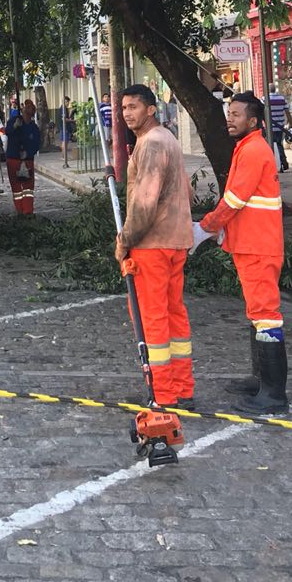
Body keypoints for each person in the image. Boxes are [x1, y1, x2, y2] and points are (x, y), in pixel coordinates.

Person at [196, 92, 287, 414]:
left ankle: (274, 394)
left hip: (258, 245)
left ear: (253, 121)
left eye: (236, 114)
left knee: (265, 315)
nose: (229, 119)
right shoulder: (248, 147)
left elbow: (234, 200)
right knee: (257, 314)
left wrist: (206, 226)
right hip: (252, 242)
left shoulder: (253, 151)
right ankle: (261, 379)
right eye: (228, 113)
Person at [113, 84, 194, 407]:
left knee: (153, 317)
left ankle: (163, 392)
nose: (127, 113)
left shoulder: (149, 145)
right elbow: (186, 194)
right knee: (175, 315)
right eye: (123, 108)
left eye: (133, 107)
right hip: (176, 242)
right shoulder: (169, 140)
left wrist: (124, 240)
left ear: (150, 109)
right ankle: (182, 387)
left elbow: (144, 205)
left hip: (152, 245)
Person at [4, 99, 40, 214]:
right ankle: (20, 211)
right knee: (16, 188)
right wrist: (15, 127)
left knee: (28, 188)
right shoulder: (15, 121)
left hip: (26, 161)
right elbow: (8, 132)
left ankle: (27, 211)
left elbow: (36, 144)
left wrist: (28, 153)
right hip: (13, 159)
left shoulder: (33, 128)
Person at [266, 84, 292, 173]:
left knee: (272, 146)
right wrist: (290, 123)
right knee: (279, 144)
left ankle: (277, 163)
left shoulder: (265, 99)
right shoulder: (281, 98)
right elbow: (287, 112)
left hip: (270, 127)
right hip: (280, 126)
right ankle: (283, 162)